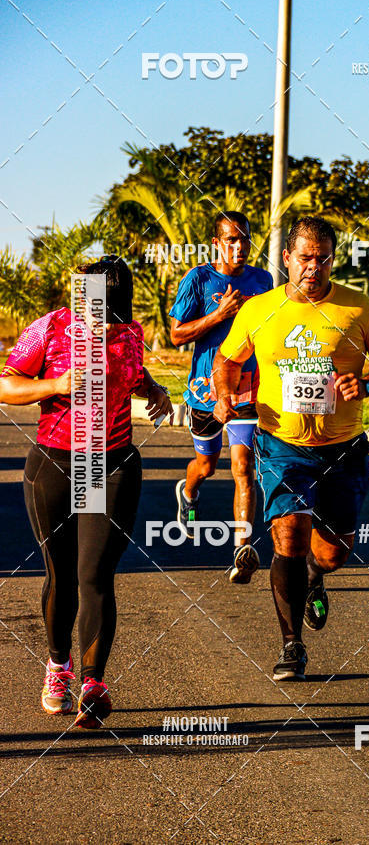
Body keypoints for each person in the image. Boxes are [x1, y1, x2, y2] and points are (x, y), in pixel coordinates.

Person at [212, 217, 369, 680]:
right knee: (289, 537)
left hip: (343, 449)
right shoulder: (260, 310)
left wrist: (367, 384)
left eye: (322, 259)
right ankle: (291, 645)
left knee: (334, 551)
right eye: (304, 258)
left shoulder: (357, 309)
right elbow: (227, 359)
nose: (313, 268)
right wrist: (223, 392)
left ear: (332, 260)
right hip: (283, 444)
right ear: (286, 259)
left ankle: (319, 576)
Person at [0, 256, 173, 726]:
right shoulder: (50, 328)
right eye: (94, 308)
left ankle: (93, 684)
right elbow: (6, 384)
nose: (101, 321)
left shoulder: (131, 333)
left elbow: (132, 375)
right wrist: (54, 383)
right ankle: (58, 667)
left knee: (95, 573)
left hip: (110, 463)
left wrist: (155, 390)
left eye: (112, 310)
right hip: (55, 462)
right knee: (61, 575)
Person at [170, 211, 272, 581]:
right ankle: (190, 490)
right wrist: (220, 315)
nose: (239, 246)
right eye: (231, 239)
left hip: (246, 388)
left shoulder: (263, 281)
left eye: (244, 238)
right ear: (216, 242)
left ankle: (242, 550)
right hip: (203, 392)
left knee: (243, 468)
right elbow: (177, 335)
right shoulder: (198, 279)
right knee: (207, 466)